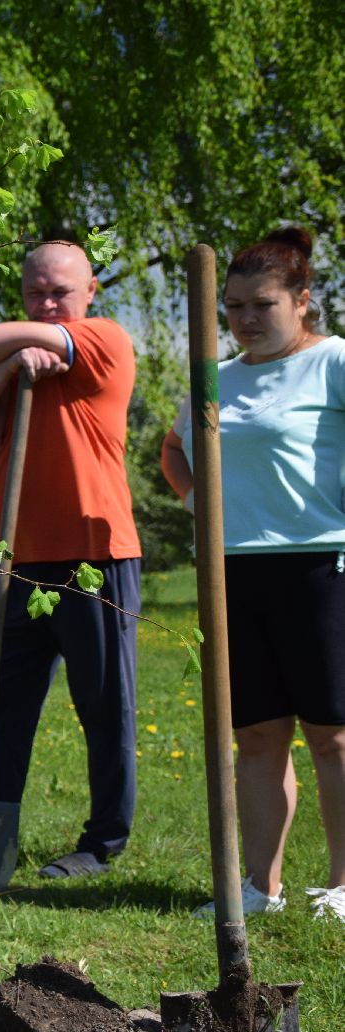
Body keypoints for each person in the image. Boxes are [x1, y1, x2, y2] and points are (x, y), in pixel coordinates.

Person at [159, 227, 345, 923]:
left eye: (260, 304)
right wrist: (198, 504)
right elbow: (175, 449)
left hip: (323, 565)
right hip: (233, 572)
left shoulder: (332, 362)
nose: (242, 319)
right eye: (232, 306)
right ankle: (260, 889)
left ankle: (342, 885)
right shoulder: (217, 375)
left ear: (301, 301)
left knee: (333, 735)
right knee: (259, 735)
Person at [0, 240, 142, 880]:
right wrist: (7, 371)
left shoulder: (106, 341)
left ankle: (104, 842)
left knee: (104, 703)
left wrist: (20, 346)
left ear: (90, 293)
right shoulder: (21, 367)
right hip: (21, 564)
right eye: (37, 292)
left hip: (95, 557)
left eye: (61, 292)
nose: (50, 303)